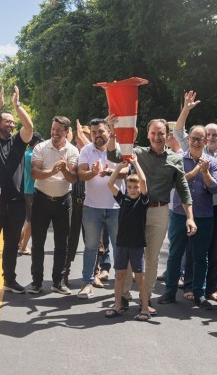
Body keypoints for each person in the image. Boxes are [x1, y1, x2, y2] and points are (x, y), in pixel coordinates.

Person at [107, 117, 194, 313]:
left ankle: (145, 298)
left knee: (152, 258)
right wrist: (113, 132)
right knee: (130, 254)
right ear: (148, 135)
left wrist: (190, 216)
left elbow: (183, 189)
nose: (157, 137)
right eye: (153, 133)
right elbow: (113, 155)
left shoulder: (175, 159)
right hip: (135, 212)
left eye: (161, 133)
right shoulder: (137, 154)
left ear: (167, 135)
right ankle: (124, 296)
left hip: (159, 212)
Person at [0, 87, 34, 293]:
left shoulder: (18, 142)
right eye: (7, 121)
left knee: (11, 245)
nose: (12, 124)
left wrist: (17, 106)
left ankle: (9, 279)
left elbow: (29, 126)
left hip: (17, 204)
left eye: (13, 122)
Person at [159, 125, 217, 308]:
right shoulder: (178, 159)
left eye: (200, 139)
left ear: (206, 141)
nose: (195, 142)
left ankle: (198, 293)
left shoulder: (212, 162)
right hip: (180, 213)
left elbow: (215, 188)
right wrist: (195, 172)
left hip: (204, 215)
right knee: (175, 254)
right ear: (188, 140)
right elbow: (175, 182)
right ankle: (169, 292)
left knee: (201, 256)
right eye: (193, 138)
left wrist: (206, 173)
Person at [26, 117, 78, 295]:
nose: (55, 133)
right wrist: (53, 171)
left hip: (64, 200)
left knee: (62, 244)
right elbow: (34, 173)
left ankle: (58, 281)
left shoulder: (72, 151)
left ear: (66, 132)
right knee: (38, 243)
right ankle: (36, 282)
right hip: (41, 199)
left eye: (59, 130)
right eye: (53, 129)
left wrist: (64, 170)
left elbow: (73, 178)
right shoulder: (41, 148)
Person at [76, 118, 121, 299]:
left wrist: (111, 172)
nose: (97, 136)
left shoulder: (117, 148)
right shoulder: (87, 150)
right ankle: (87, 283)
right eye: (93, 133)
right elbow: (81, 173)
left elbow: (126, 172)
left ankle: (121, 284)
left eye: (100, 131)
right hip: (92, 207)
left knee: (120, 247)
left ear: (108, 132)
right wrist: (92, 173)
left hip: (116, 206)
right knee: (91, 246)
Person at [104, 157, 150, 320]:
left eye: (135, 187)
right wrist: (119, 167)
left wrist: (136, 163)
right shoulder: (122, 199)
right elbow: (110, 183)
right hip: (122, 244)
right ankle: (117, 305)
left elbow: (143, 180)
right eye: (129, 187)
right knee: (120, 275)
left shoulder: (143, 200)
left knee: (139, 277)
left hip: (137, 245)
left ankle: (144, 308)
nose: (132, 189)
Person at [63, 120, 90, 287]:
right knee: (70, 240)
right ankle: (64, 273)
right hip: (74, 202)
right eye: (79, 139)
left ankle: (93, 274)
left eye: (85, 138)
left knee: (92, 241)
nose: (81, 141)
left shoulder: (93, 154)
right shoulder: (72, 154)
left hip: (90, 204)